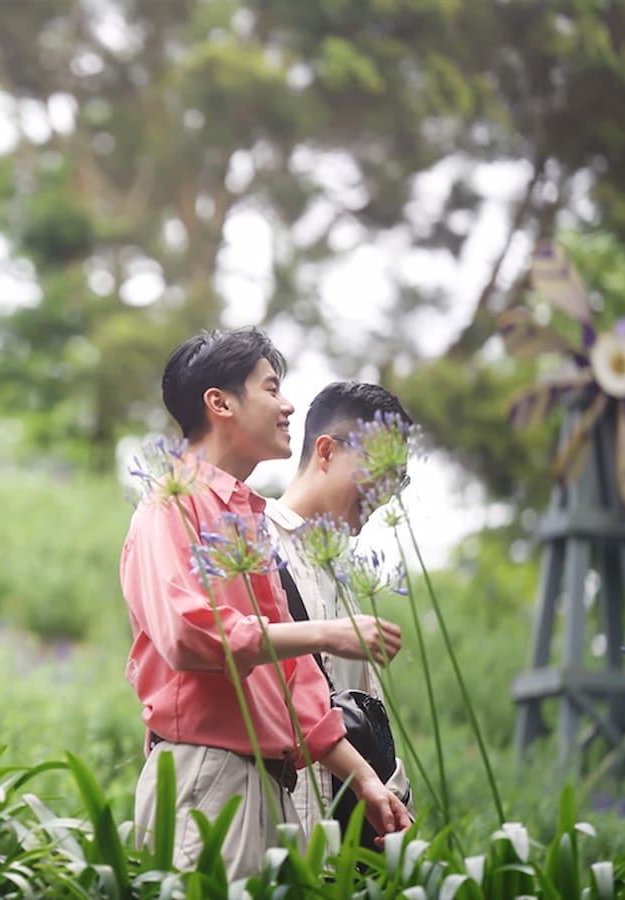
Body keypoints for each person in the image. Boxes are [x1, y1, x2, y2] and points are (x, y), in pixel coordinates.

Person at [121, 328, 411, 879]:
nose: (288, 405)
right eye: (271, 388)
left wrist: (365, 779)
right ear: (220, 402)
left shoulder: (246, 525)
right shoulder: (171, 506)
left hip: (269, 783)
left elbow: (293, 685)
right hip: (210, 774)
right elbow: (190, 636)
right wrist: (328, 634)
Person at [265, 381, 416, 838]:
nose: (386, 491)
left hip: (346, 841)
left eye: (399, 477)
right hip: (285, 827)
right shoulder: (257, 546)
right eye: (379, 468)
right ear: (326, 452)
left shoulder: (341, 572)